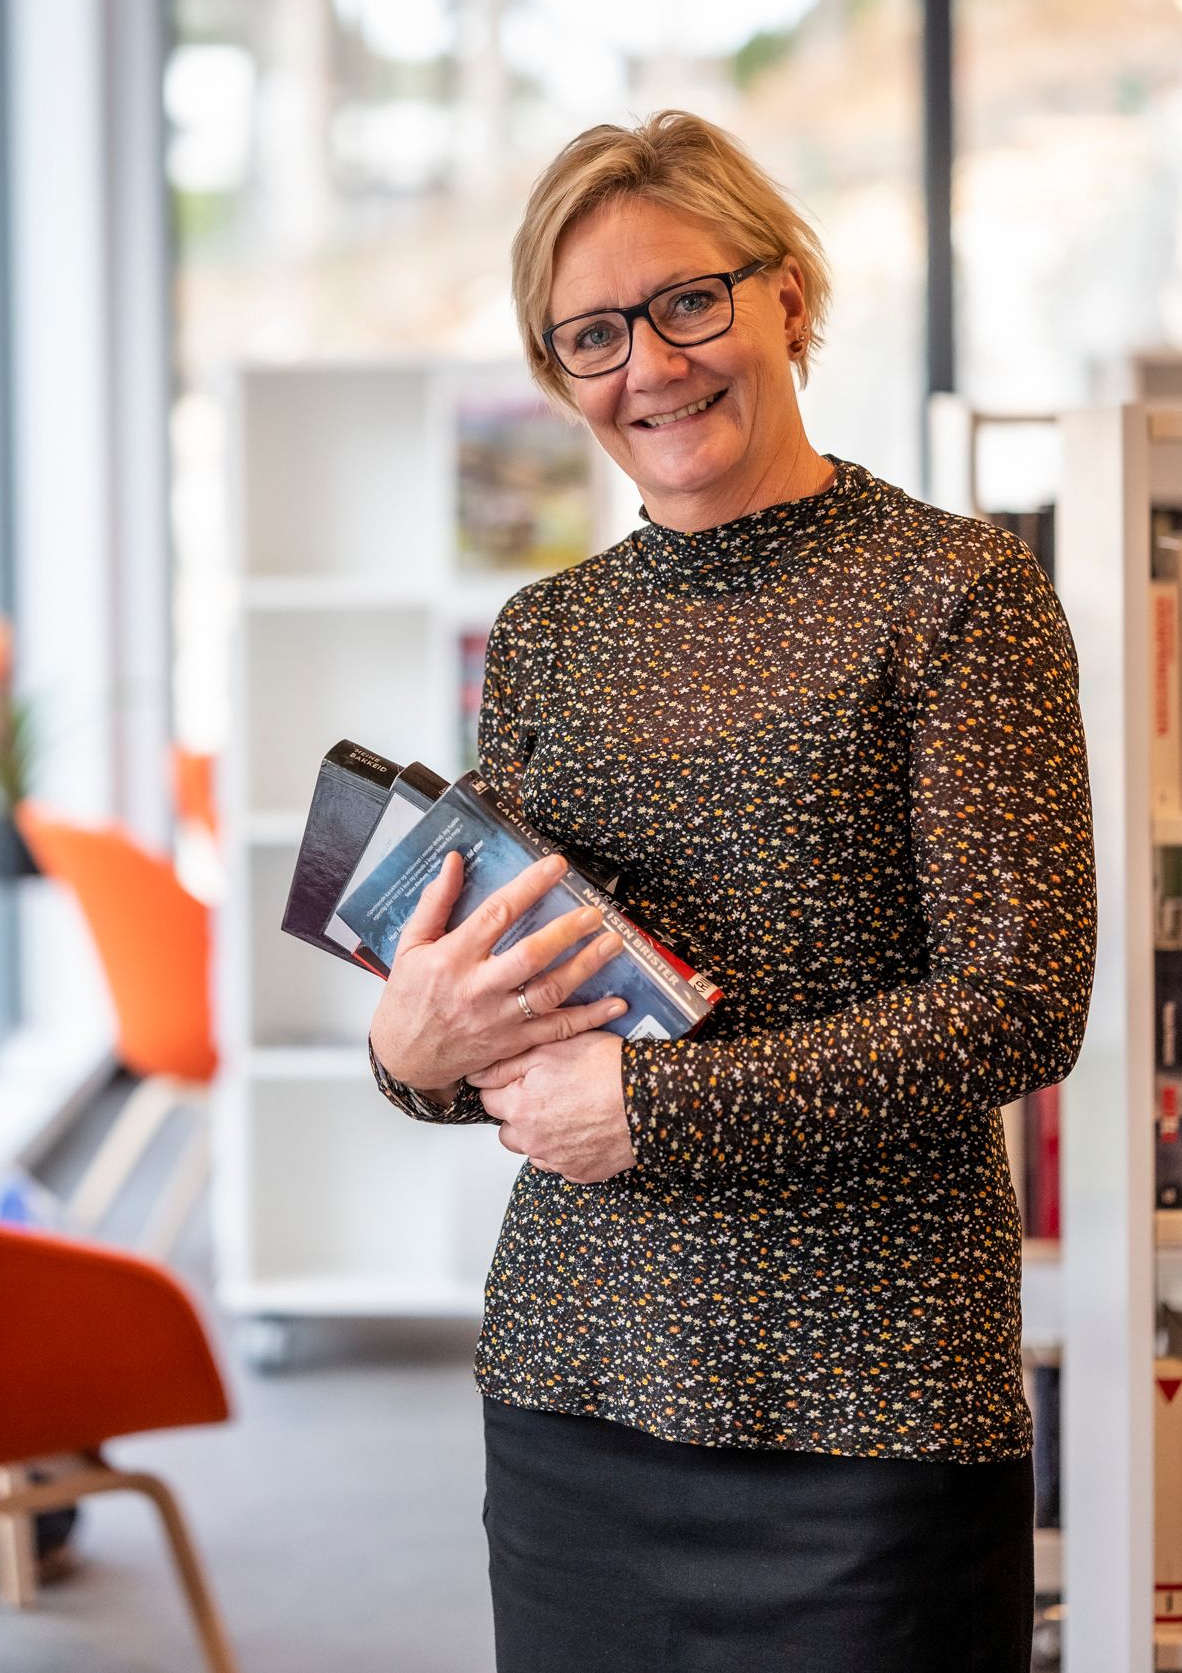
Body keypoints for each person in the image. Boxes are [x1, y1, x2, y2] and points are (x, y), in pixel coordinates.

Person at [367, 109, 1096, 1673]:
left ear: (787, 295)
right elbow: (508, 995)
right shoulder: (547, 633)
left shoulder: (957, 593)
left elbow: (1020, 1001)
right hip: (572, 1396)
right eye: (594, 335)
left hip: (872, 1419)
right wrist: (411, 1052)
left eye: (687, 302)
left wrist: (659, 1107)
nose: (651, 364)